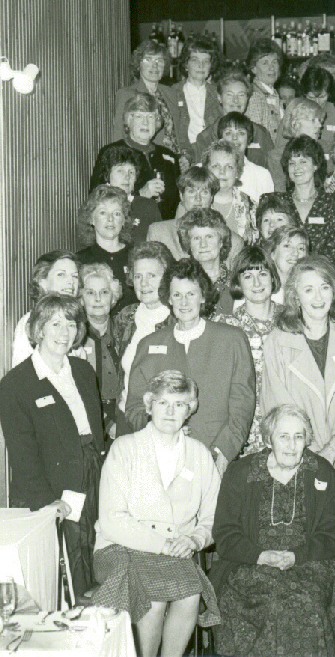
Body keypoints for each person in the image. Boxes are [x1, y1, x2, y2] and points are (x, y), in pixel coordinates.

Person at [93, 370, 220, 657]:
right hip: (122, 546)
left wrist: (195, 540)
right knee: (154, 597)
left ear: (190, 411)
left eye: (180, 405)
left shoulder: (199, 454)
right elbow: (112, 520)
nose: (171, 411)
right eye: (163, 403)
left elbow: (213, 516)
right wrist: (162, 544)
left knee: (189, 594)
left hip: (177, 548)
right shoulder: (123, 449)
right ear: (149, 406)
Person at [212, 404, 335, 656]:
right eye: (283, 437)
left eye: (298, 437)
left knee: (305, 603)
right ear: (268, 439)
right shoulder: (241, 472)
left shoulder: (322, 471)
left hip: (312, 562)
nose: (291, 445)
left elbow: (333, 534)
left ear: (306, 440)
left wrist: (297, 555)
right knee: (266, 602)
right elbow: (225, 533)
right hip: (249, 563)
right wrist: (260, 555)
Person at [0, 294, 105, 597]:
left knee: (96, 552)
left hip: (93, 473)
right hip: (54, 487)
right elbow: (21, 453)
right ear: (39, 329)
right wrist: (47, 501)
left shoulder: (83, 371)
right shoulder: (16, 384)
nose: (64, 332)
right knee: (71, 570)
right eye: (55, 323)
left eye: (71, 324)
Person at [125, 258, 256, 473]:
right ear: (169, 299)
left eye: (191, 294)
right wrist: (159, 434)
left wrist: (223, 453)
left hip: (217, 457)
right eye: (177, 295)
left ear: (203, 296)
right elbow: (135, 406)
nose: (184, 303)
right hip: (161, 459)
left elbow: (243, 404)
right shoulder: (150, 344)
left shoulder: (232, 340)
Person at [261, 256, 335, 490]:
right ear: (295, 296)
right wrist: (313, 454)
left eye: (325, 287)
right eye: (309, 289)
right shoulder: (277, 342)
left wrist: (333, 448)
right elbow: (278, 407)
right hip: (298, 458)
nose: (319, 297)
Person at [215, 246, 281, 455]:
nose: (257, 283)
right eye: (248, 276)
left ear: (273, 278)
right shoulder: (225, 327)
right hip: (242, 431)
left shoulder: (292, 322)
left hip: (284, 427)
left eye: (263, 274)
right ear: (238, 283)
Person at [93, 92, 181, 219]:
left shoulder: (169, 156)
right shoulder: (111, 153)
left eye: (151, 117)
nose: (145, 123)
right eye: (139, 117)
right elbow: (97, 201)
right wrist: (140, 195)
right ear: (128, 121)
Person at [113, 242, 175, 422]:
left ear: (168, 278)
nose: (144, 283)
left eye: (152, 276)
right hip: (126, 416)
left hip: (165, 420)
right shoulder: (125, 317)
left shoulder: (177, 319)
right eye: (138, 276)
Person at [283, 135, 335, 260]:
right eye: (292, 163)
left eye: (303, 161)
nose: (297, 168)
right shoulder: (279, 204)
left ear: (315, 165)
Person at [11, 251, 82, 367]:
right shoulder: (32, 322)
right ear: (42, 282)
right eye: (61, 274)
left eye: (75, 276)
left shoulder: (72, 319)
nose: (71, 282)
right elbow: (20, 376)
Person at [195, 69, 276, 168]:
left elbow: (274, 170)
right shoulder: (205, 138)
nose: (235, 100)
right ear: (219, 98)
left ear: (248, 99)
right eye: (229, 95)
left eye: (241, 95)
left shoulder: (261, 134)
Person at [79, 263, 124, 436]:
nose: (98, 299)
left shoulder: (126, 331)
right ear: (81, 299)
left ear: (113, 298)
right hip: (89, 420)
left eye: (104, 292)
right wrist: (106, 423)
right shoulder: (74, 337)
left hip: (123, 415)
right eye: (90, 293)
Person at [112, 40, 179, 154]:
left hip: (174, 160)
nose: (155, 65)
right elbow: (119, 137)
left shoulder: (171, 93)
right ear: (139, 64)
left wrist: (186, 155)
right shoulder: (126, 95)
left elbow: (180, 132)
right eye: (148, 59)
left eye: (159, 60)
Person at [89, 143, 163, 243]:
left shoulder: (148, 206)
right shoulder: (96, 206)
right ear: (107, 175)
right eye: (120, 171)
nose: (127, 177)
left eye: (131, 172)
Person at [75, 185, 134, 310]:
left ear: (124, 220)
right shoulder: (79, 261)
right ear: (91, 219)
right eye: (103, 213)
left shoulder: (137, 257)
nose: (110, 219)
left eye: (117, 213)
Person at [169, 36, 222, 164]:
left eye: (206, 61)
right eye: (195, 60)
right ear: (186, 64)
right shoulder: (172, 93)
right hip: (183, 160)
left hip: (214, 159)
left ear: (211, 66)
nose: (201, 65)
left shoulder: (219, 93)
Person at [177, 207, 237, 314]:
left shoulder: (237, 282)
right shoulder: (179, 283)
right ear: (189, 245)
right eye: (196, 238)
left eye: (209, 237)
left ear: (221, 242)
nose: (203, 244)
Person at [203, 139, 255, 243]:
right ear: (206, 170)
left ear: (237, 172)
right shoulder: (193, 203)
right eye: (216, 166)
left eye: (229, 167)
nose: (222, 172)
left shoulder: (252, 207)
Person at [217, 111, 275, 205]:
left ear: (249, 139)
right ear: (220, 139)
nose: (234, 137)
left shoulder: (262, 175)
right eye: (228, 133)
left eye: (241, 133)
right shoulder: (206, 171)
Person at [268, 97, 326, 189]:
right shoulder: (277, 156)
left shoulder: (323, 150)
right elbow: (280, 192)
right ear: (295, 123)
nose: (319, 126)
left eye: (320, 121)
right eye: (313, 120)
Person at [245, 39, 286, 146]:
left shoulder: (274, 94)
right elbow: (256, 141)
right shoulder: (254, 97)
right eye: (265, 63)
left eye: (274, 62)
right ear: (253, 68)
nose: (271, 68)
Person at [301, 66, 335, 153]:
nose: (317, 102)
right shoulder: (296, 112)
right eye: (311, 97)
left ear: (329, 94)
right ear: (304, 94)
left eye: (322, 97)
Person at [266, 226, 310, 300]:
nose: (295, 253)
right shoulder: (263, 292)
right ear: (272, 254)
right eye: (287, 246)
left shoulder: (310, 291)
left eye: (301, 248)